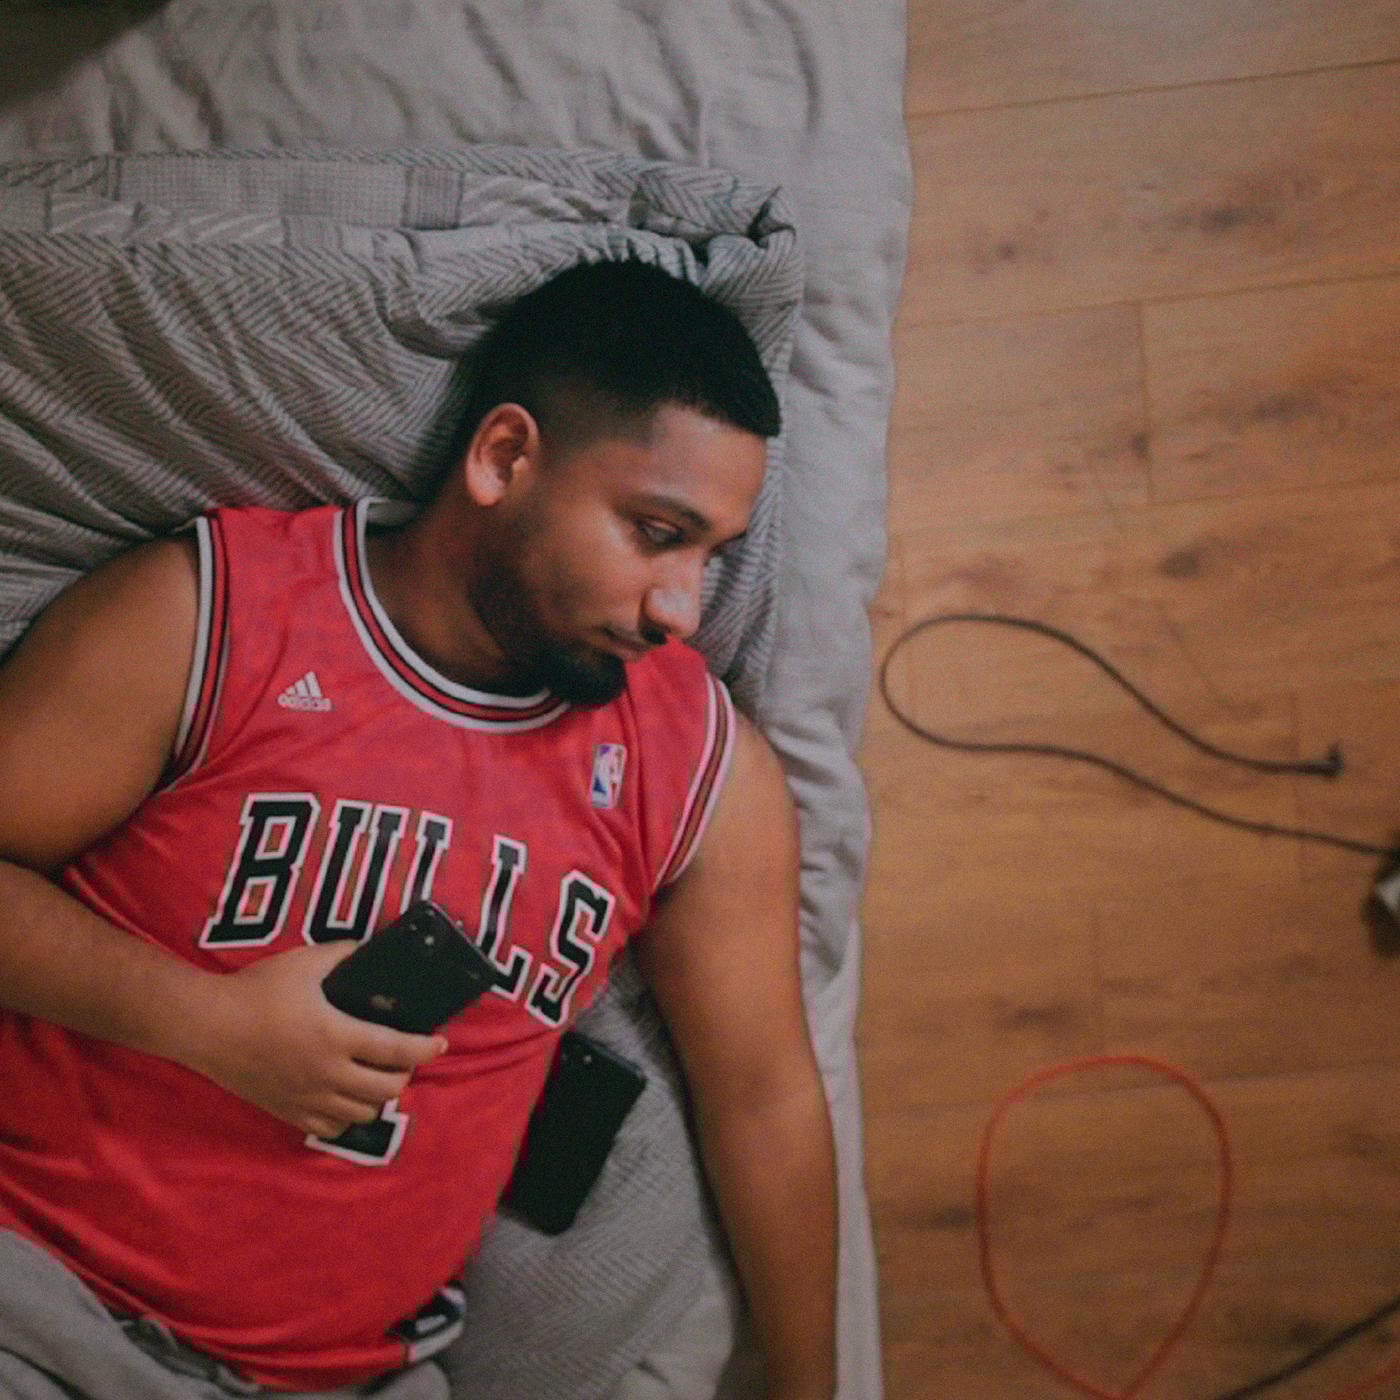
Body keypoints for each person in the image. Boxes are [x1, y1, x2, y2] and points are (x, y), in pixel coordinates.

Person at [0, 261, 836, 1400]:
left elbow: (765, 1096)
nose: (680, 606)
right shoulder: (218, 614)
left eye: (712, 555)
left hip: (343, 1378)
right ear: (504, 457)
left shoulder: (696, 763)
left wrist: (805, 1380)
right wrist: (206, 1021)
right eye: (654, 531)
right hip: (37, 1299)